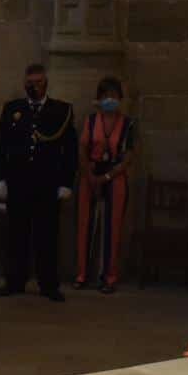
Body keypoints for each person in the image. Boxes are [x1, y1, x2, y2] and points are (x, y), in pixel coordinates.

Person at [0, 63, 78, 302]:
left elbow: (70, 151)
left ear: (46, 84)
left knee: (47, 236)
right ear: (24, 84)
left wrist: (66, 182)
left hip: (46, 183)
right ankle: (14, 280)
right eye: (30, 83)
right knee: (16, 234)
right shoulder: (13, 109)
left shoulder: (61, 110)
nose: (34, 87)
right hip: (18, 181)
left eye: (38, 82)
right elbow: (1, 146)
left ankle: (48, 284)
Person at [73, 76, 137, 294]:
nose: (110, 99)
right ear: (99, 98)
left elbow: (128, 158)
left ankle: (109, 277)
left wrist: (107, 177)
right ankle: (82, 274)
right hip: (90, 174)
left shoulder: (128, 124)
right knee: (84, 225)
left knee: (113, 227)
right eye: (106, 95)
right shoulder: (91, 121)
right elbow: (82, 149)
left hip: (115, 176)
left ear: (120, 98)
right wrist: (89, 175)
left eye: (114, 95)